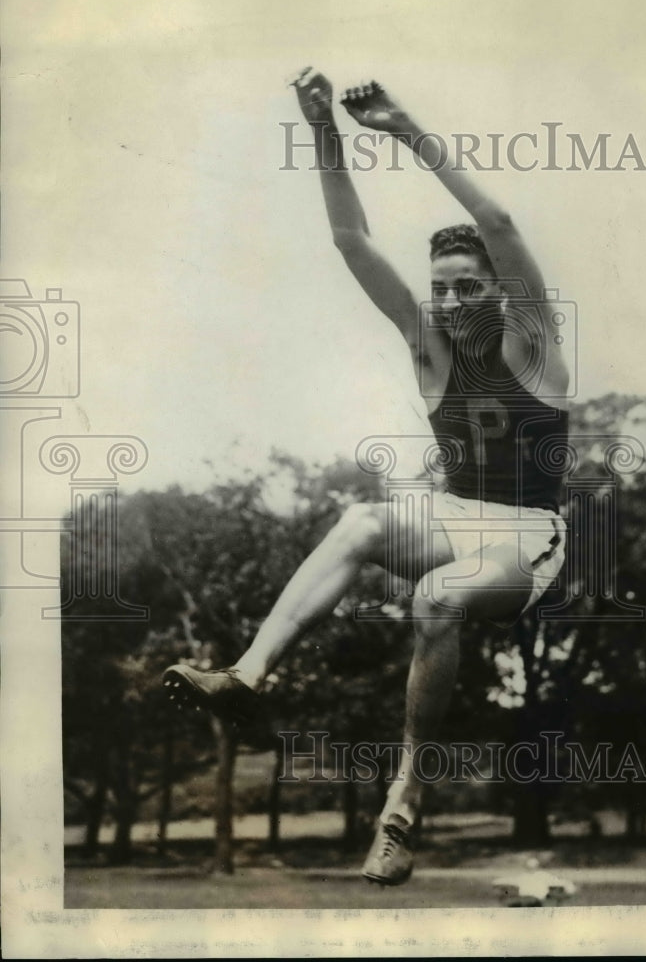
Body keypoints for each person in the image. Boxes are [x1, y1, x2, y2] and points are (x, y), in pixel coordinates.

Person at [164, 68, 570, 886]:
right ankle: (247, 676)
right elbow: (350, 241)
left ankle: (402, 806)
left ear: (501, 290)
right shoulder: (428, 352)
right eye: (440, 289)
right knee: (358, 521)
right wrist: (322, 128)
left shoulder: (532, 349)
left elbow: (496, 220)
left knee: (438, 597)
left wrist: (403, 128)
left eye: (468, 286)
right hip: (455, 514)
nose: (449, 302)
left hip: (527, 538)